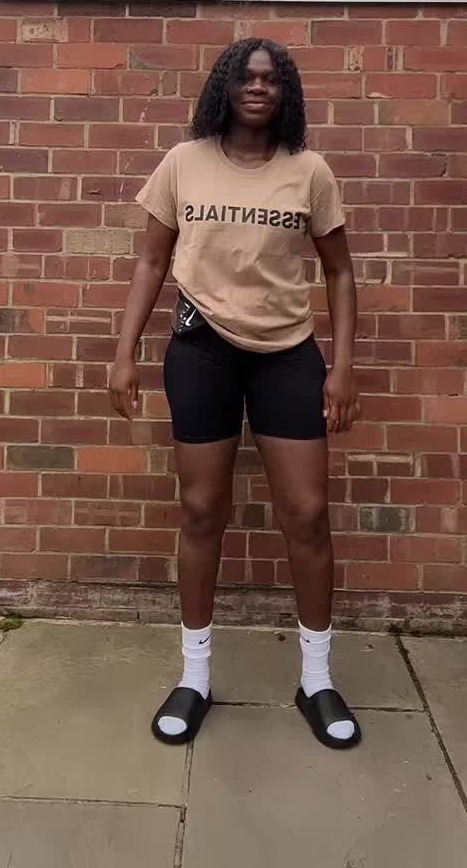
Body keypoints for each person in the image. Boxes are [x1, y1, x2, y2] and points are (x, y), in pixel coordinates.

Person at [108, 37, 361, 749]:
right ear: (224, 85)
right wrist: (123, 352)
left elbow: (340, 271)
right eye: (246, 76)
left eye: (271, 78)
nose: (258, 87)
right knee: (200, 510)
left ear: (286, 93)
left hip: (288, 357)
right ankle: (195, 678)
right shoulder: (183, 162)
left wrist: (342, 365)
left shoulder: (308, 170)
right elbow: (152, 259)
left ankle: (317, 680)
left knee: (307, 513)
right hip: (202, 354)